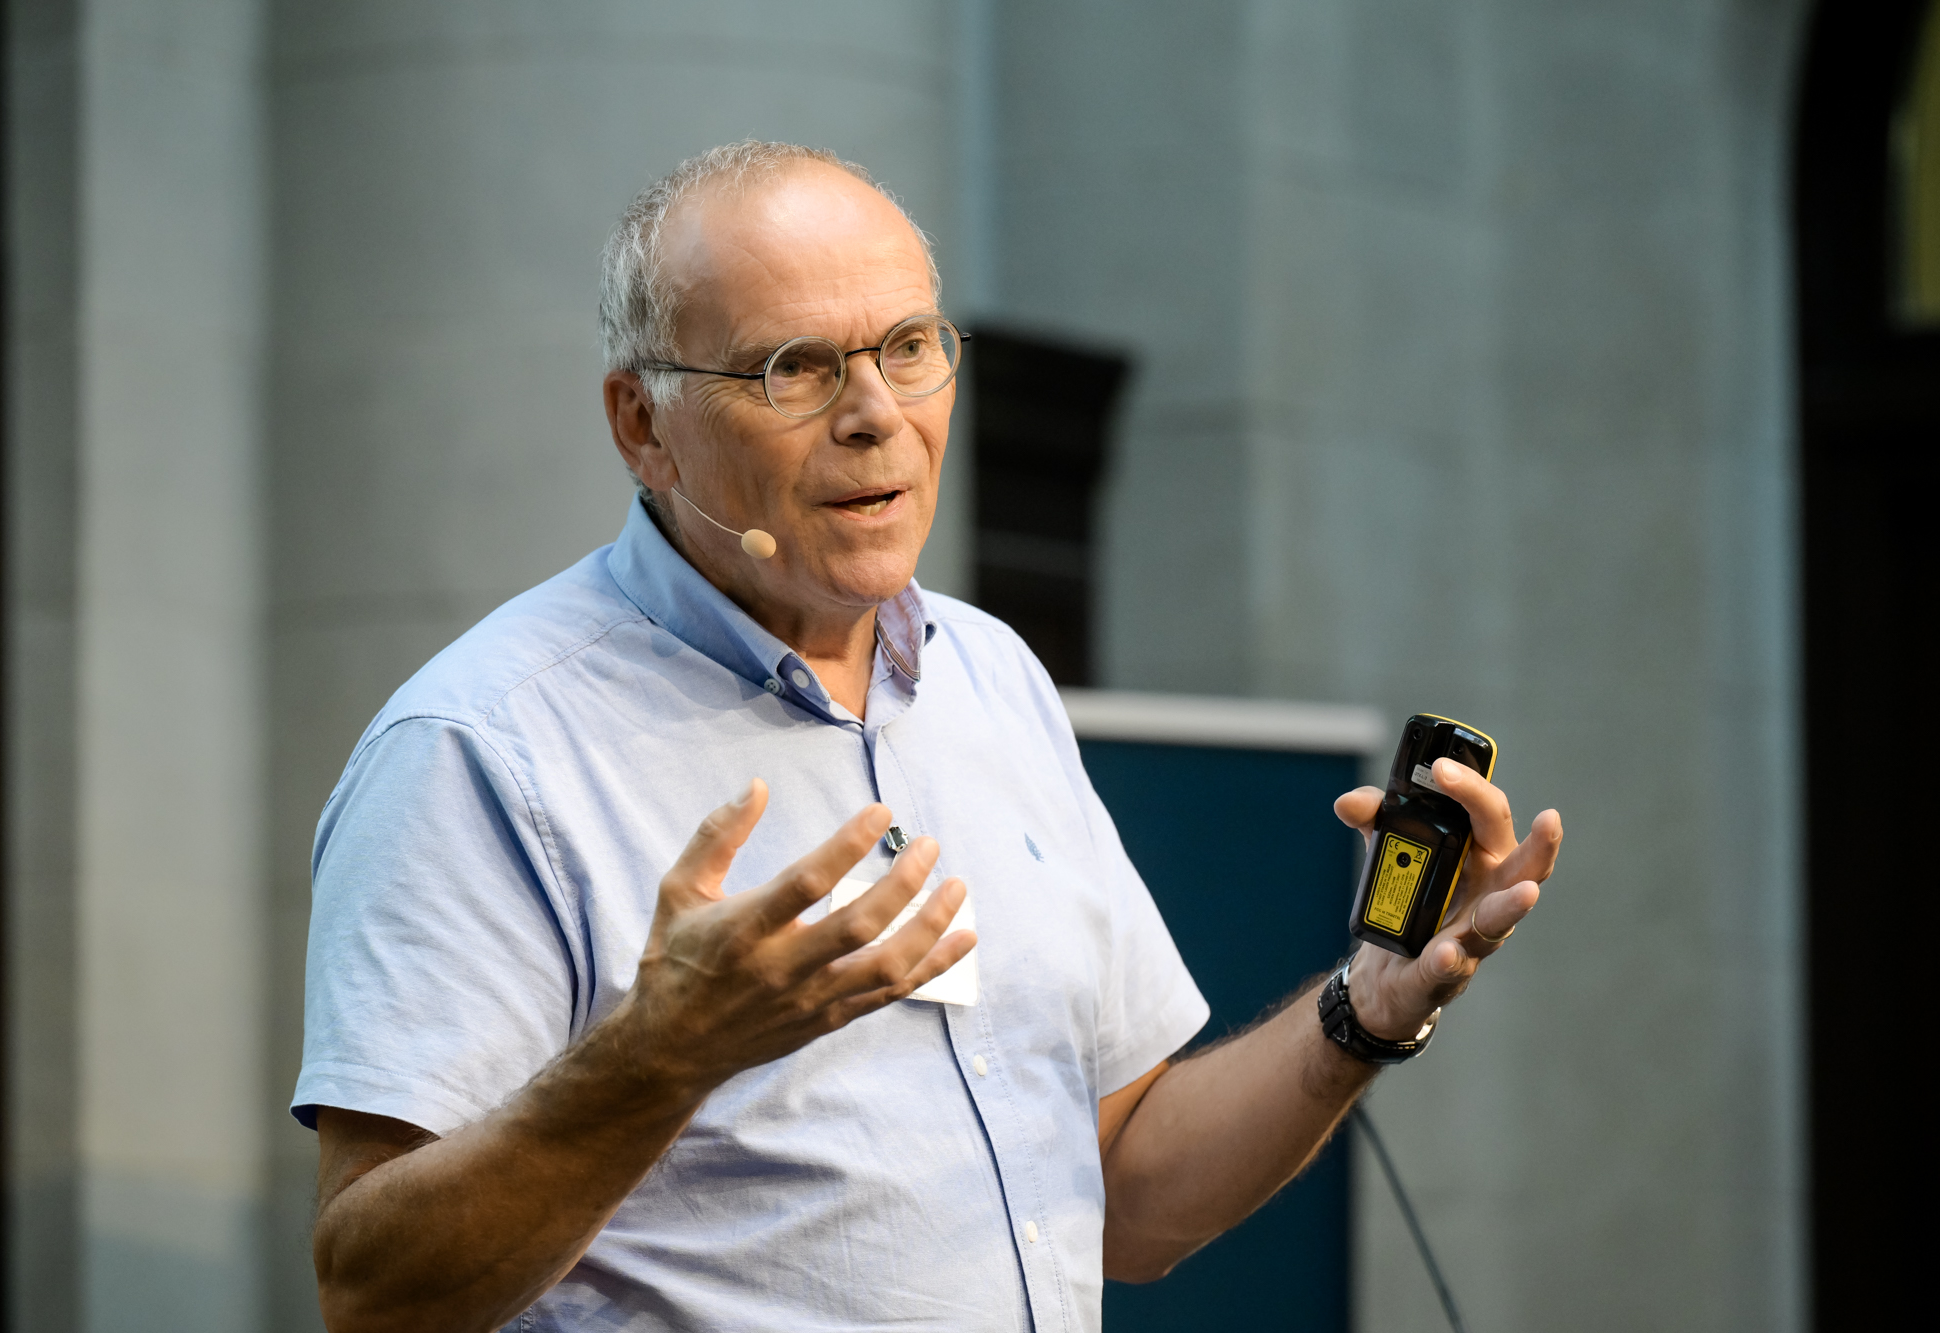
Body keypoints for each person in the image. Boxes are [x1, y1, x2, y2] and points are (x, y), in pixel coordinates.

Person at [296, 141, 1561, 1333]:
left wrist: (1367, 1009)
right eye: (793, 366)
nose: (873, 414)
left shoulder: (987, 672)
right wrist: (657, 1061)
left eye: (908, 346)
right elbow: (376, 1289)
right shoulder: (479, 746)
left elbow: (1124, 1189)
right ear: (641, 424)